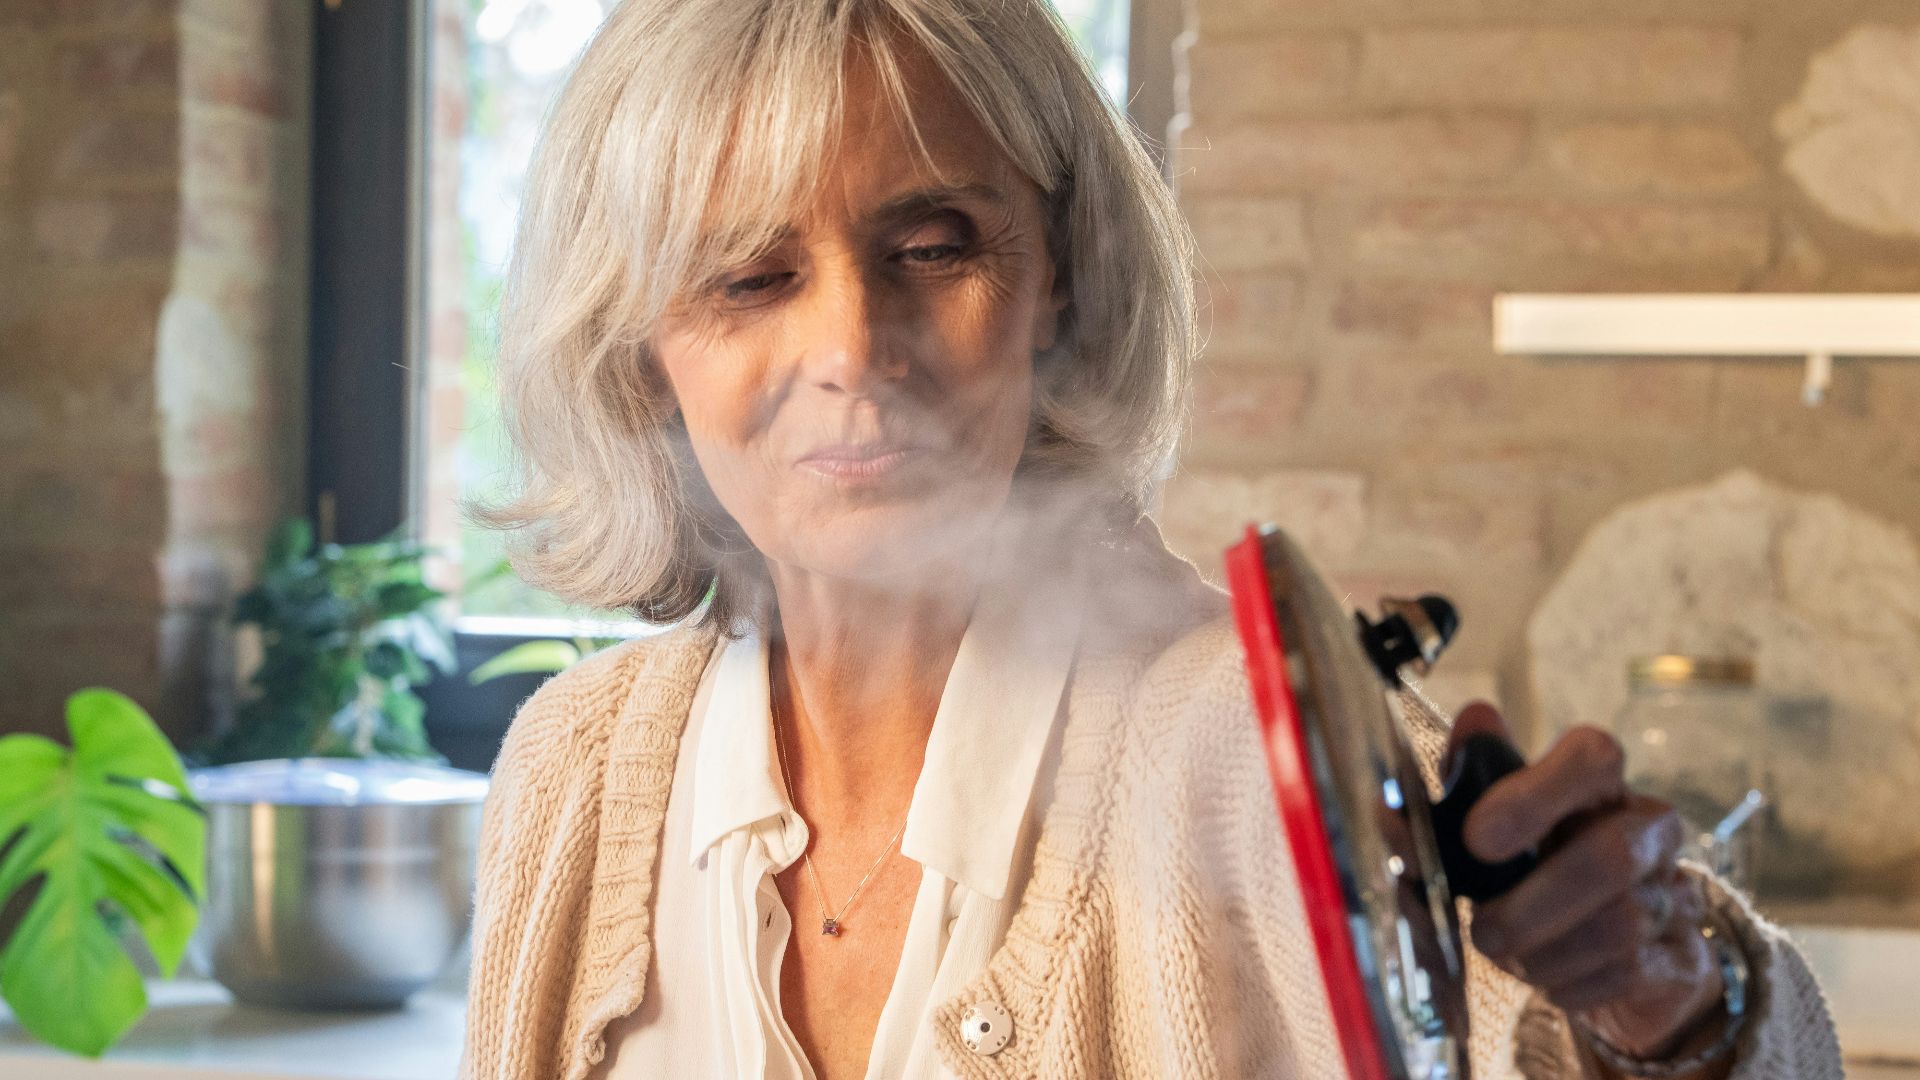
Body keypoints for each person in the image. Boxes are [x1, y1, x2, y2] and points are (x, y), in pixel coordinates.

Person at [458, 2, 1842, 1077]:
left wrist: (1674, 1002)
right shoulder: (578, 767)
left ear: (1058, 280)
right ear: (639, 353)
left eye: (934, 246)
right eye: (749, 276)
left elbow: (1683, 1051)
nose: (851, 349)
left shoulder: (1237, 752)